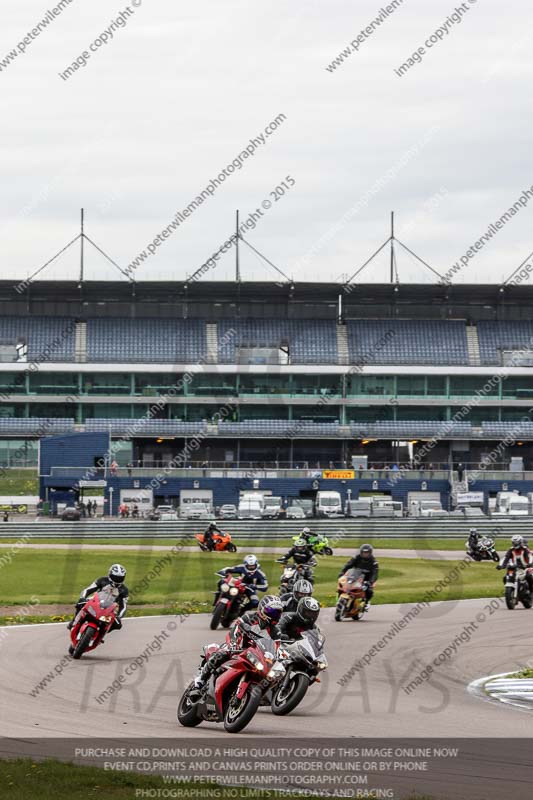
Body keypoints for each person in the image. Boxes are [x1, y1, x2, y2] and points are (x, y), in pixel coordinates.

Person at [191, 595, 284, 696]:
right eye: (272, 612)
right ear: (261, 609)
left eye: (277, 613)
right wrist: (233, 644)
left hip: (255, 655)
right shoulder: (249, 618)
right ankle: (201, 679)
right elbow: (235, 630)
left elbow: (276, 648)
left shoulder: (276, 632)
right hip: (237, 648)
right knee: (221, 654)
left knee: (270, 675)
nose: (274, 615)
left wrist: (278, 658)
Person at [67, 564, 128, 634]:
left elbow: (124, 606)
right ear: (110, 574)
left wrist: (119, 617)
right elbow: (88, 589)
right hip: (95, 601)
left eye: (120, 578)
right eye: (115, 577)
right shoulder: (102, 580)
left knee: (118, 624)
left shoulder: (124, 590)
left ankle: (102, 633)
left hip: (109, 609)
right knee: (81, 603)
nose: (117, 579)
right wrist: (83, 597)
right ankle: (74, 621)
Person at [338, 544, 379, 612]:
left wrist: (370, 582)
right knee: (344, 585)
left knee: (369, 590)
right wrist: (342, 572)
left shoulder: (374, 562)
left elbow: (375, 573)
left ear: (370, 553)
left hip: (368, 578)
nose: (365, 554)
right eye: (363, 553)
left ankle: (366, 602)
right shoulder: (356, 558)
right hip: (355, 575)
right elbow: (348, 565)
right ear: (361, 552)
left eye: (367, 553)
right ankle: (341, 599)